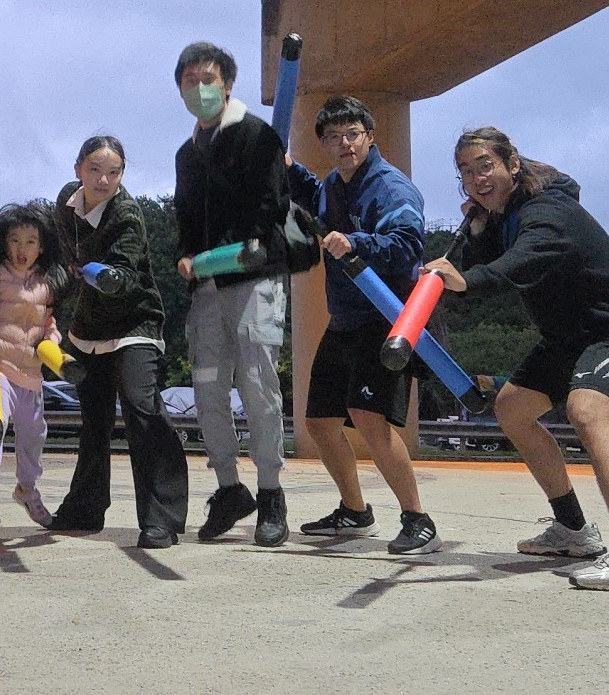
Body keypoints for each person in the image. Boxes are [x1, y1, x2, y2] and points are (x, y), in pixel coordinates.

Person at [424, 126, 609, 591]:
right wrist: (476, 230)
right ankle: (573, 530)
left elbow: (520, 263)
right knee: (512, 408)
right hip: (566, 337)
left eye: (485, 166)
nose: (476, 179)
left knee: (587, 410)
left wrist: (469, 278)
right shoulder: (505, 217)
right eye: (466, 172)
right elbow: (492, 259)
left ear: (512, 164)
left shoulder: (549, 210)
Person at [285, 96, 438, 553]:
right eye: (333, 137)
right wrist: (287, 166)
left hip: (388, 317)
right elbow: (315, 197)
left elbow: (408, 245)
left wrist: (355, 241)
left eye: (351, 133)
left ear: (370, 135)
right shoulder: (334, 183)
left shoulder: (392, 188)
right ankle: (355, 512)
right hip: (346, 318)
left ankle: (418, 519)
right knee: (319, 421)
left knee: (371, 419)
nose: (343, 143)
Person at [173, 41, 291, 546]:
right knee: (206, 390)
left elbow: (270, 209)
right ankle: (229, 488)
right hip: (206, 288)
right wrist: (186, 254)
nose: (200, 89)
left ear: (227, 83)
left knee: (260, 390)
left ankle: (270, 495)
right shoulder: (186, 153)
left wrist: (228, 253)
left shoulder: (257, 136)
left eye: (209, 79)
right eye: (190, 81)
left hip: (253, 279)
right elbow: (184, 218)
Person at [48, 136, 190, 549]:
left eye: (113, 172)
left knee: (141, 406)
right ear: (78, 169)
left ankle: (161, 519)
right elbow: (62, 256)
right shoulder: (65, 202)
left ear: (122, 174)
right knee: (93, 420)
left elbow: (125, 276)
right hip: (87, 327)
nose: (104, 179)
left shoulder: (127, 215)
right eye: (95, 169)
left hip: (135, 323)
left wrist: (102, 275)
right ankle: (84, 509)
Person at [0, 201, 70, 529]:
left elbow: (47, 322)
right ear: (4, 242)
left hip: (32, 372)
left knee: (34, 433)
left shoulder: (47, 281)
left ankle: (27, 489)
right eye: (15, 240)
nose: (22, 249)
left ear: (42, 245)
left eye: (30, 241)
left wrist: (54, 341)